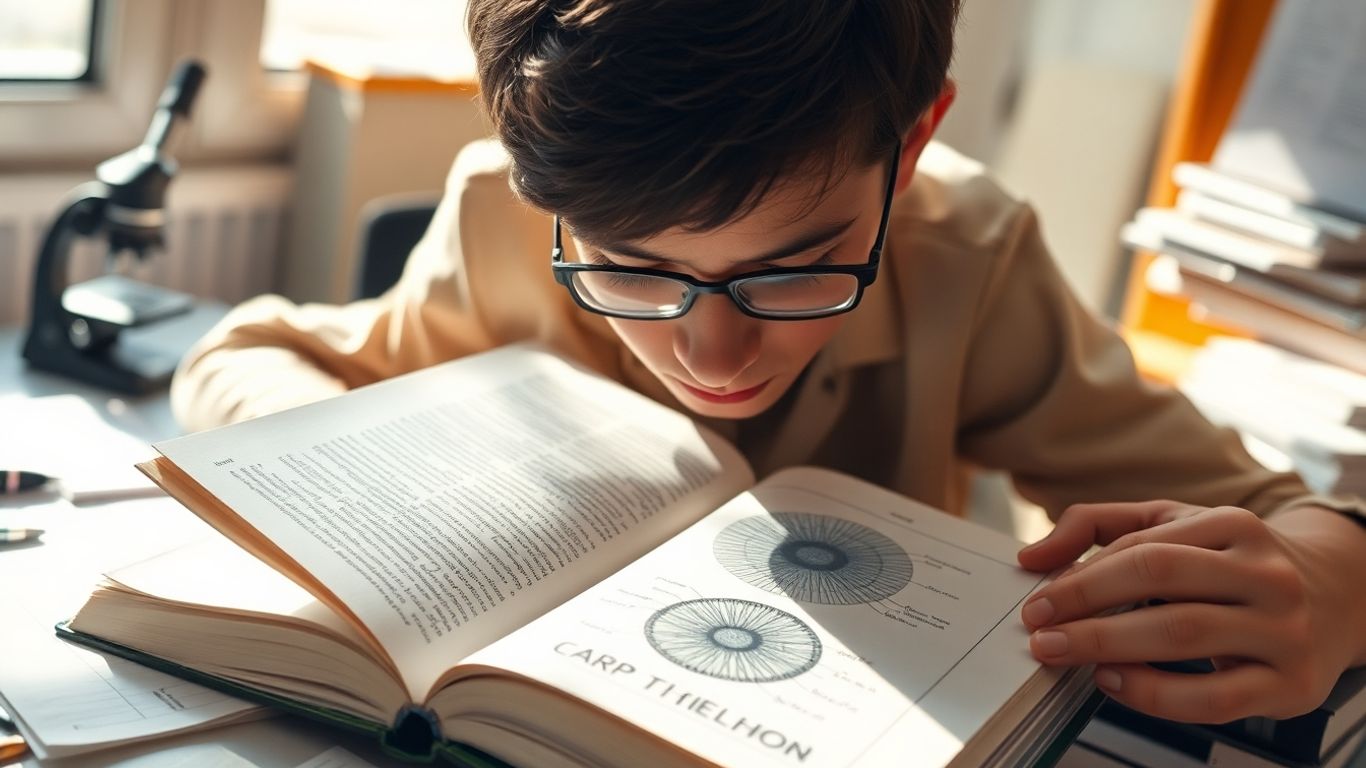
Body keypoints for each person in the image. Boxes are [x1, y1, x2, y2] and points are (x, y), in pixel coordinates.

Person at [172, 0, 1366, 725]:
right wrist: (390, 477)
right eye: (630, 268)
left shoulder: (968, 254)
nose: (711, 350)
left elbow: (1276, 512)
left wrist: (1334, 572)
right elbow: (250, 353)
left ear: (911, 147)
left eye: (796, 267)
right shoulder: (503, 218)